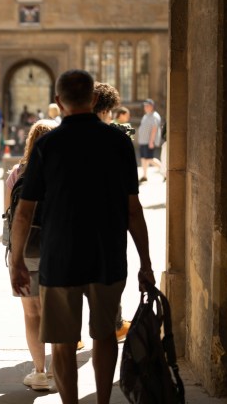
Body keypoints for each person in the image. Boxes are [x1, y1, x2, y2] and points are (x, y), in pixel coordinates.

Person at [9, 69, 155, 404]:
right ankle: (102, 401)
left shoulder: (47, 145)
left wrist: (17, 261)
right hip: (108, 253)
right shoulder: (118, 142)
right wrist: (145, 263)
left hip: (60, 257)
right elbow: (133, 208)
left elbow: (24, 212)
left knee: (61, 340)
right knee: (104, 335)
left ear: (58, 102)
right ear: (93, 100)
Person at [4, 119, 59, 391]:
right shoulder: (63, 171)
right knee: (58, 312)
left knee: (31, 313)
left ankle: (39, 372)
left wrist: (13, 256)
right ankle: (60, 374)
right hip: (57, 250)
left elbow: (9, 217)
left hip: (25, 251)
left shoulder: (17, 172)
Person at [93, 83, 132, 341]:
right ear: (108, 108)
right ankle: (115, 324)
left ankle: (72, 336)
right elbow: (132, 199)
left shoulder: (57, 139)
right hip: (109, 226)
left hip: (71, 228)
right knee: (107, 288)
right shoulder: (119, 141)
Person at [138, 98, 163, 183]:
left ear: (152, 106)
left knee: (149, 159)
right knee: (143, 159)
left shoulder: (155, 116)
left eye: (147, 106)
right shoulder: (146, 115)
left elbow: (154, 129)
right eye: (145, 106)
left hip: (149, 141)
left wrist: (151, 141)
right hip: (143, 141)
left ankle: (165, 170)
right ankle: (144, 176)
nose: (145, 107)